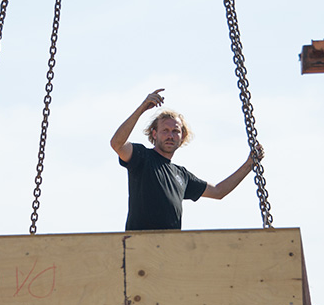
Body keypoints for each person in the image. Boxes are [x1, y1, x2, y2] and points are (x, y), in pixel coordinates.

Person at [110, 88, 264, 231]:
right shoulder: (142, 157)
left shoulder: (181, 175)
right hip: (138, 246)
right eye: (165, 130)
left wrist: (249, 164)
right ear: (154, 134)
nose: (170, 135)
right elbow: (117, 143)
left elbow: (218, 191)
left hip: (171, 250)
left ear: (182, 136)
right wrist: (142, 108)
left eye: (175, 131)